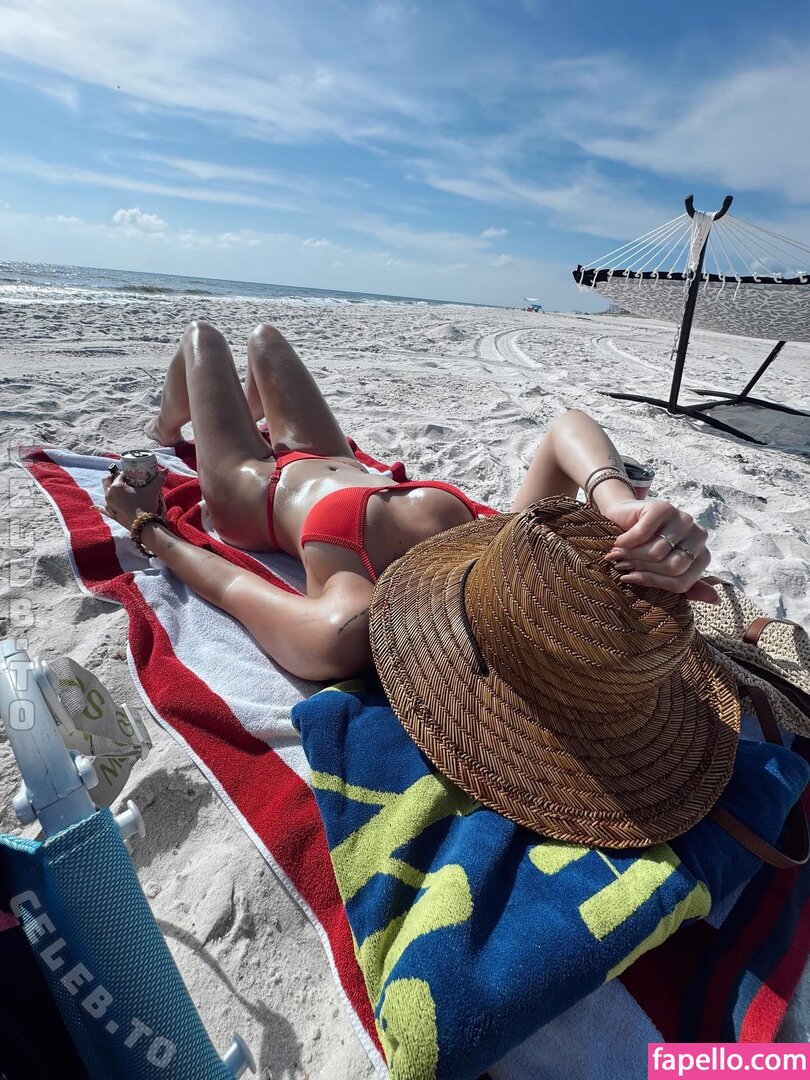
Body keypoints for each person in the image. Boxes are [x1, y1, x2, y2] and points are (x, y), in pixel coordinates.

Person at [102, 321, 717, 682]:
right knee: (264, 340)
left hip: (255, 493)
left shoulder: (351, 623)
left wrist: (147, 524)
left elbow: (232, 587)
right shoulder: (514, 550)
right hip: (334, 457)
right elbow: (567, 429)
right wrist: (614, 499)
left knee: (202, 340)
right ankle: (235, 415)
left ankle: (167, 429)